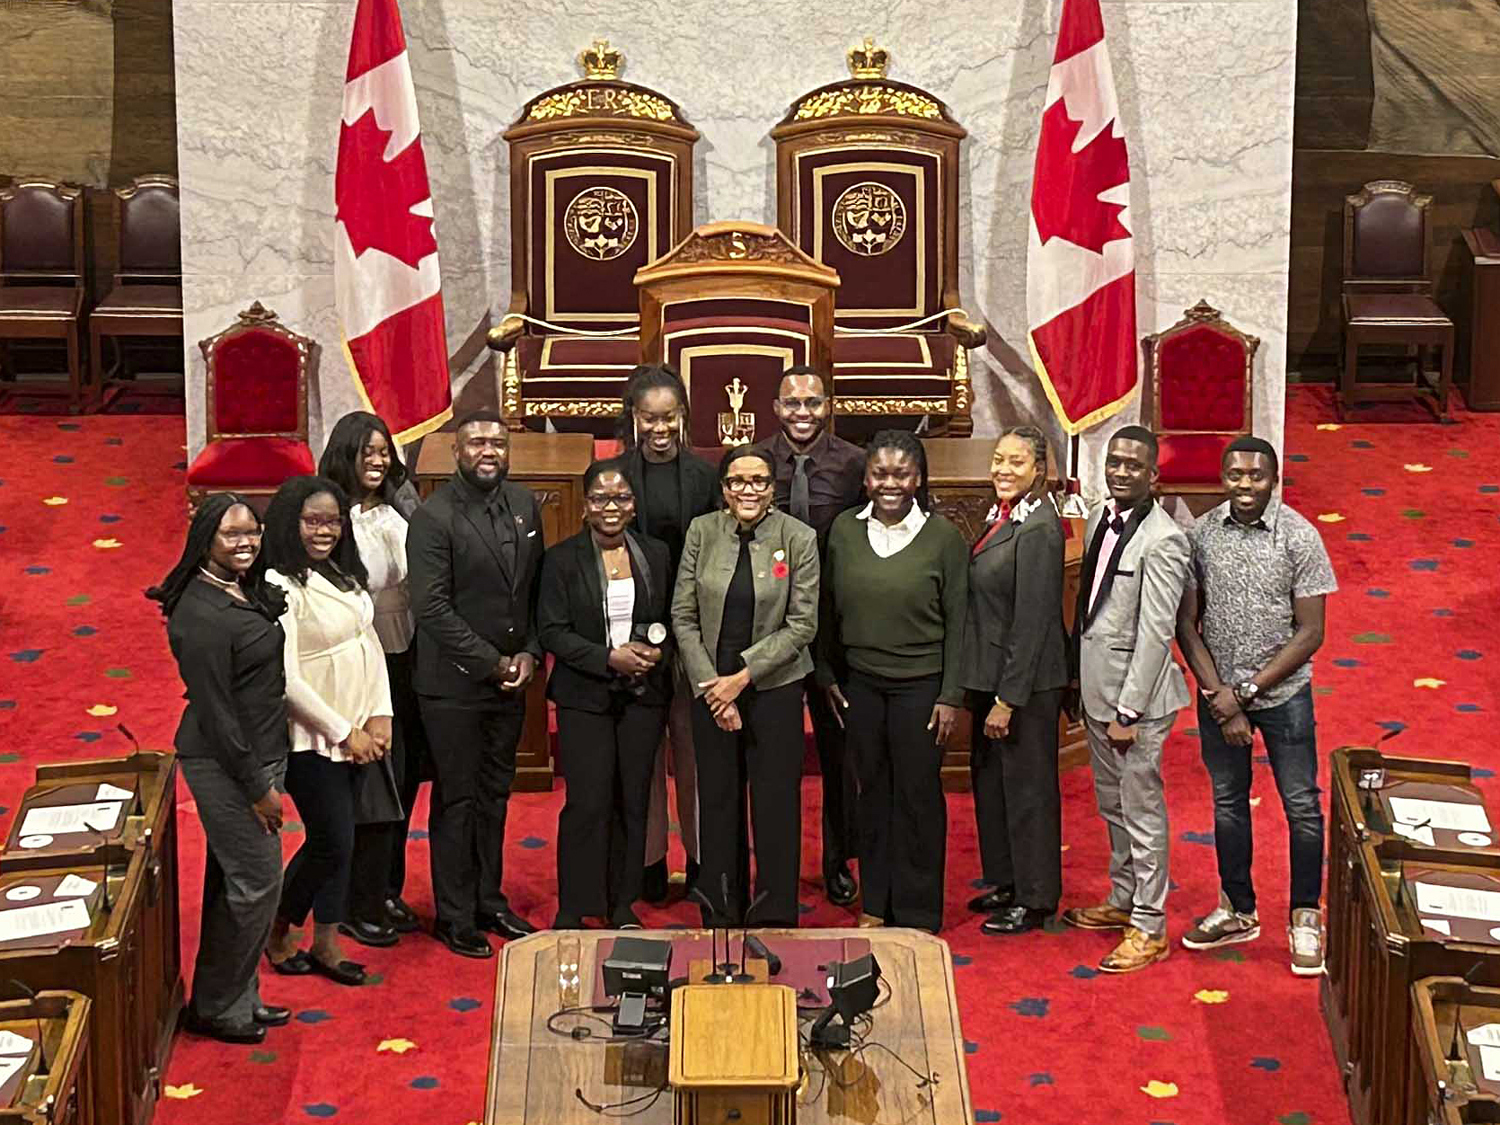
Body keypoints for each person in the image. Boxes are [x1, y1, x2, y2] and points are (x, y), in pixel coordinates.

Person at [1175, 435, 1337, 976]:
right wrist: (1221, 696)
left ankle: (1305, 917)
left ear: (1274, 478)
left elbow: (1311, 633)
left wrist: (1246, 693)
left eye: (1256, 476)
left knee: (1301, 807)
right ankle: (1238, 908)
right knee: (1227, 802)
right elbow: (1186, 625)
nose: (1245, 485)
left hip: (1284, 696)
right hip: (1219, 696)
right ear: (1224, 477)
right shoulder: (1200, 535)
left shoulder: (1300, 536)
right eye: (1236, 475)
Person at [148, 494, 291, 1045]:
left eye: (252, 532)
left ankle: (233, 994)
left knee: (236, 879)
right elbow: (217, 713)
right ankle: (218, 1006)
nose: (246, 542)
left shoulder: (237, 590)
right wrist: (258, 788)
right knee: (258, 881)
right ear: (206, 538)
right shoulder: (199, 614)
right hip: (227, 762)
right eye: (232, 534)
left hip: (260, 750)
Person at [819, 430, 968, 934]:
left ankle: (920, 910)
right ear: (865, 478)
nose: (890, 483)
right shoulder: (842, 530)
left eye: (901, 473)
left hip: (921, 688)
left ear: (919, 478)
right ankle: (877, 903)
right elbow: (826, 610)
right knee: (872, 793)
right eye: (880, 473)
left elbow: (960, 620)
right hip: (861, 685)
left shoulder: (944, 538)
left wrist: (951, 695)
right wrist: (827, 674)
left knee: (917, 796)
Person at [408, 410, 544, 958]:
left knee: (495, 795)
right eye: (475, 443)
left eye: (496, 442)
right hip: (454, 687)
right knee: (458, 799)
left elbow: (534, 591)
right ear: (456, 452)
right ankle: (455, 914)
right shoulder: (433, 517)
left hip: (510, 682)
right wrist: (493, 662)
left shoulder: (524, 504)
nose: (487, 450)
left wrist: (532, 652)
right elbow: (432, 608)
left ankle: (490, 898)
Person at [672, 445, 819, 927]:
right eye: (737, 481)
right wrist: (712, 686)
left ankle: (775, 911)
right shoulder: (701, 531)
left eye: (758, 481)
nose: (747, 490)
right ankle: (722, 907)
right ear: (724, 489)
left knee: (775, 803)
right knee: (717, 800)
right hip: (710, 689)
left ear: (773, 488)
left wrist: (740, 680)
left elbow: (802, 625)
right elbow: (683, 614)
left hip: (773, 689)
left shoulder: (798, 538)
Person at [256, 476, 393, 988]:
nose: (324, 530)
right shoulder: (279, 583)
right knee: (330, 841)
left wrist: (381, 713)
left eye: (332, 520)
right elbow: (288, 680)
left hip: (359, 727)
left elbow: (367, 638)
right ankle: (277, 929)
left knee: (346, 840)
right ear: (291, 523)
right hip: (311, 737)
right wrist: (343, 733)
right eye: (312, 520)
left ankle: (328, 941)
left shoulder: (340, 572)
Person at [1063, 425, 1190, 974]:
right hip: (1096, 689)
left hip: (1135, 705)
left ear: (1153, 475)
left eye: (1133, 466)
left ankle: (1149, 924)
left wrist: (1129, 712)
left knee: (1141, 811)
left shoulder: (1164, 538)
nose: (1120, 471)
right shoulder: (1099, 517)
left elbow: (1157, 632)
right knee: (1111, 805)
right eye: (1114, 462)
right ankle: (1121, 899)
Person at [539, 461, 674, 929]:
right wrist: (607, 657)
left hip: (642, 696)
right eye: (600, 498)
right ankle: (574, 906)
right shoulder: (561, 559)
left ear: (634, 505)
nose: (610, 507)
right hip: (584, 696)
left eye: (620, 498)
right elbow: (553, 631)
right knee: (588, 801)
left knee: (632, 800)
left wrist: (654, 653)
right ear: (585, 506)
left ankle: (622, 903)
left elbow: (672, 619)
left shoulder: (655, 554)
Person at [752, 365, 865, 908]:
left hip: (834, 626)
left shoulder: (854, 464)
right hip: (768, 626)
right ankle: (771, 867)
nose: (802, 412)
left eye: (813, 402)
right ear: (776, 408)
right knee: (770, 755)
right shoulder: (752, 463)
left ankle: (838, 859)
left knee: (840, 752)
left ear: (828, 406)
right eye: (792, 403)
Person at [318, 410, 428, 945]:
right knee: (370, 790)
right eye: (366, 452)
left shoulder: (400, 506)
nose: (377, 461)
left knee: (402, 783)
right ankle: (354, 901)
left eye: (384, 451)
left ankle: (388, 888)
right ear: (345, 454)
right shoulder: (328, 517)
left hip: (406, 654)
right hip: (361, 667)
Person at [961, 427, 1070, 936]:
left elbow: (1033, 622)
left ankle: (1036, 897)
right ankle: (1007, 881)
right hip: (991, 677)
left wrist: (1007, 699)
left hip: (1024, 686)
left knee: (1028, 792)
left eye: (1016, 462)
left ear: (1038, 471)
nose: (1003, 470)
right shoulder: (1004, 515)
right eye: (998, 459)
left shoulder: (1041, 529)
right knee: (995, 787)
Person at [616, 365, 718, 903]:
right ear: (634, 418)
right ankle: (649, 863)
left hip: (693, 637)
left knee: (695, 756)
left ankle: (701, 862)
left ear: (683, 417)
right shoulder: (614, 475)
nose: (660, 428)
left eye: (669, 416)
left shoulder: (705, 478)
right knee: (643, 758)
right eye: (649, 417)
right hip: (632, 637)